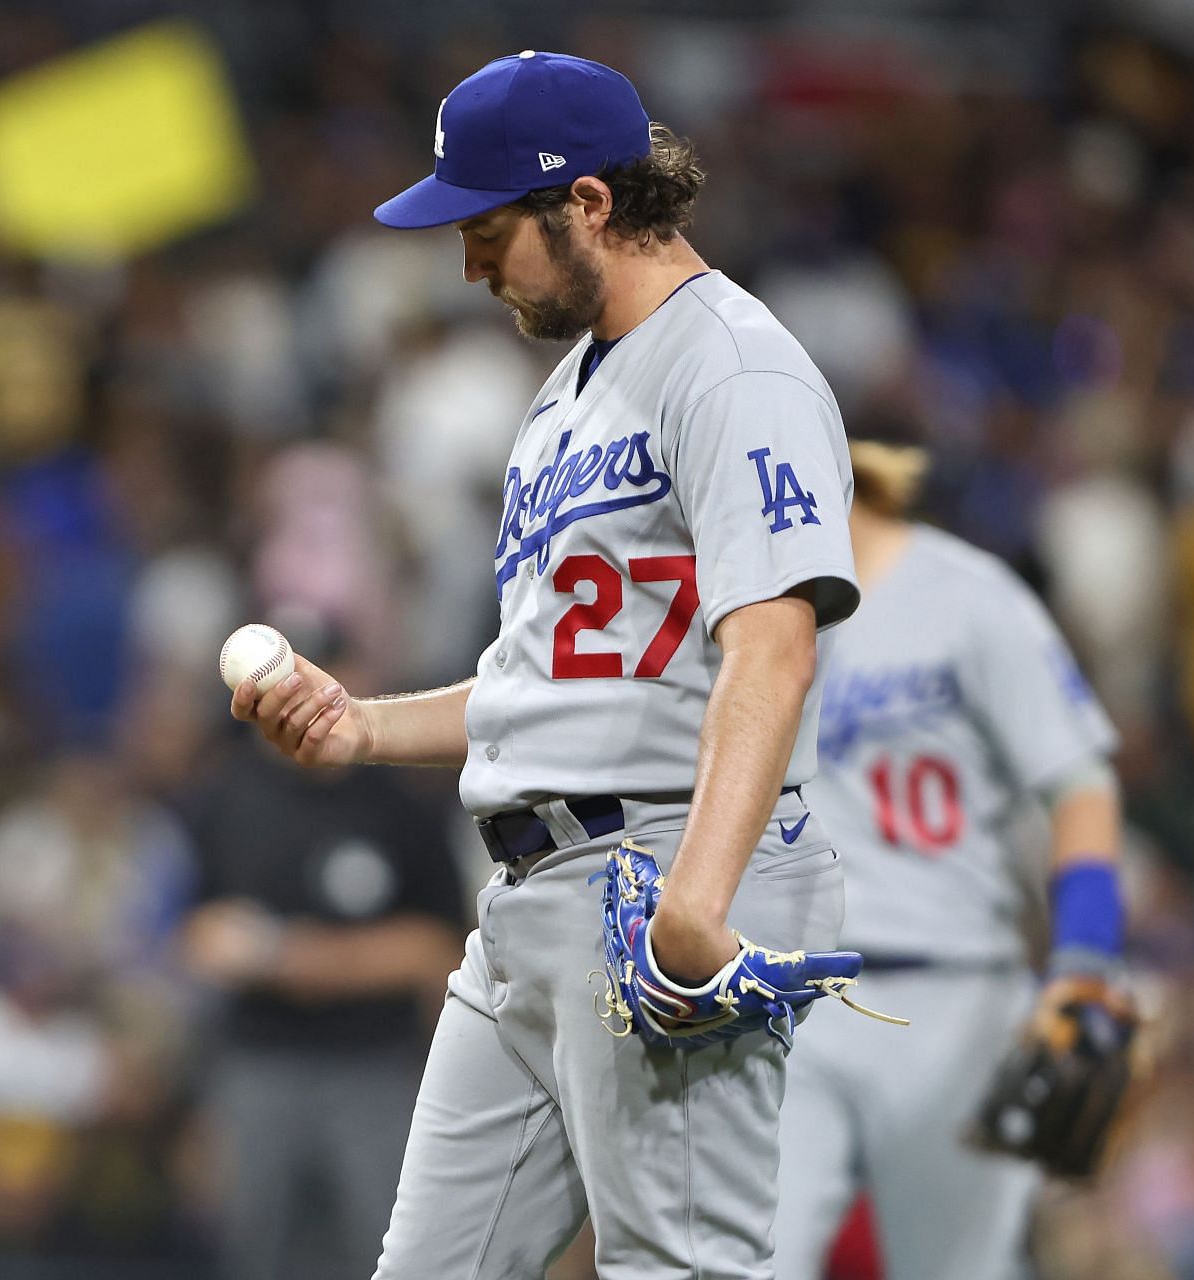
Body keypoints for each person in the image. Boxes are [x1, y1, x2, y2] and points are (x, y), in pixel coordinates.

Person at [232, 51, 866, 1279]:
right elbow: (553, 681)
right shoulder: (566, 398)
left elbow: (774, 641)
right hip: (529, 899)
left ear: (588, 202)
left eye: (487, 228)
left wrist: (701, 892)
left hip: (660, 865)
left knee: (675, 1265)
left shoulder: (735, 367)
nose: (468, 263)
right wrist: (362, 726)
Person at [772, 441, 1127, 1280]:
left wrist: (1083, 959)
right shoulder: (732, 615)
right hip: (788, 1004)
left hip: (955, 994)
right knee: (744, 1263)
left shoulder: (968, 598)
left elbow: (1081, 787)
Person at [177, 626, 468, 1280]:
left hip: (372, 1068)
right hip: (257, 1064)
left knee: (389, 1255)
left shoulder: (398, 798)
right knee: (252, 1255)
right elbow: (195, 936)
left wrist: (288, 958)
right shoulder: (230, 794)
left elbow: (439, 949)